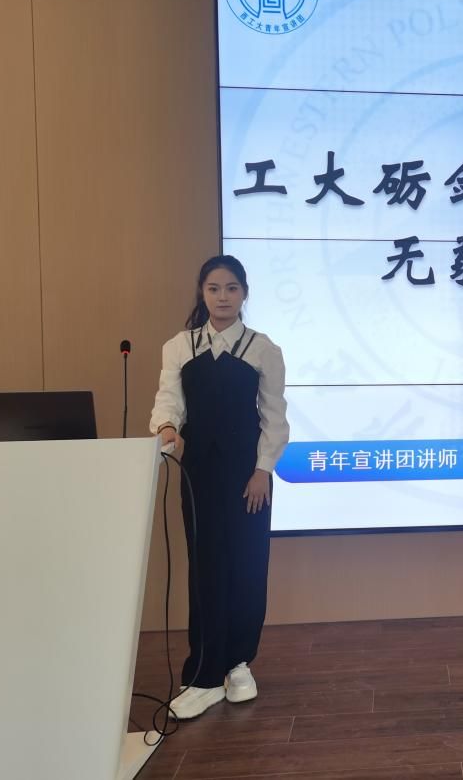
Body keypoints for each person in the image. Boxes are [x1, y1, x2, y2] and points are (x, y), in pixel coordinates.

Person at [149, 255, 289, 720]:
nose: (223, 297)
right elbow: (168, 400)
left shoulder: (262, 348)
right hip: (199, 474)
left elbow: (274, 418)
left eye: (231, 288)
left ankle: (239, 663)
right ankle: (205, 673)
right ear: (202, 293)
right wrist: (167, 427)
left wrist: (263, 471)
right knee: (206, 568)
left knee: (248, 565)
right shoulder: (179, 346)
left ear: (244, 293)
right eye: (214, 288)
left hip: (250, 476)